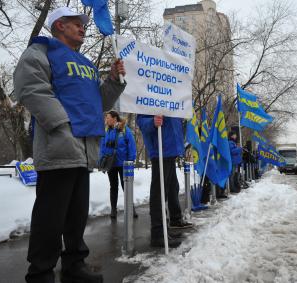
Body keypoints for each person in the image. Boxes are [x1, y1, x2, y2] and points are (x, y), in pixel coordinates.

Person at [14, 7, 126, 283]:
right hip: (59, 145)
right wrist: (62, 126)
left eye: (83, 24)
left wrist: (113, 80)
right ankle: (40, 272)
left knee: (76, 214)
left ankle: (74, 265)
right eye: (77, 24)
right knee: (50, 216)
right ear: (60, 26)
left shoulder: (87, 64)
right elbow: (30, 88)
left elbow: (98, 103)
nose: (83, 27)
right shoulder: (41, 52)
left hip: (85, 149)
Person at [136, 115, 193, 248]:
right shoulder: (151, 95)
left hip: (171, 148)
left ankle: (174, 220)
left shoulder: (173, 96)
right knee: (159, 192)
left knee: (172, 187)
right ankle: (158, 233)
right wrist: (152, 122)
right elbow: (141, 120)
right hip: (161, 148)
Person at [99, 111, 137, 219]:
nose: (106, 120)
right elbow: (102, 146)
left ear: (115, 118)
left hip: (123, 163)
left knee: (126, 187)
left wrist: (130, 160)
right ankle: (113, 210)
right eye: (106, 118)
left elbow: (131, 144)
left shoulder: (124, 129)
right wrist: (102, 160)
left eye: (108, 118)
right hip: (111, 164)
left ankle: (131, 208)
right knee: (113, 187)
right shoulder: (106, 131)